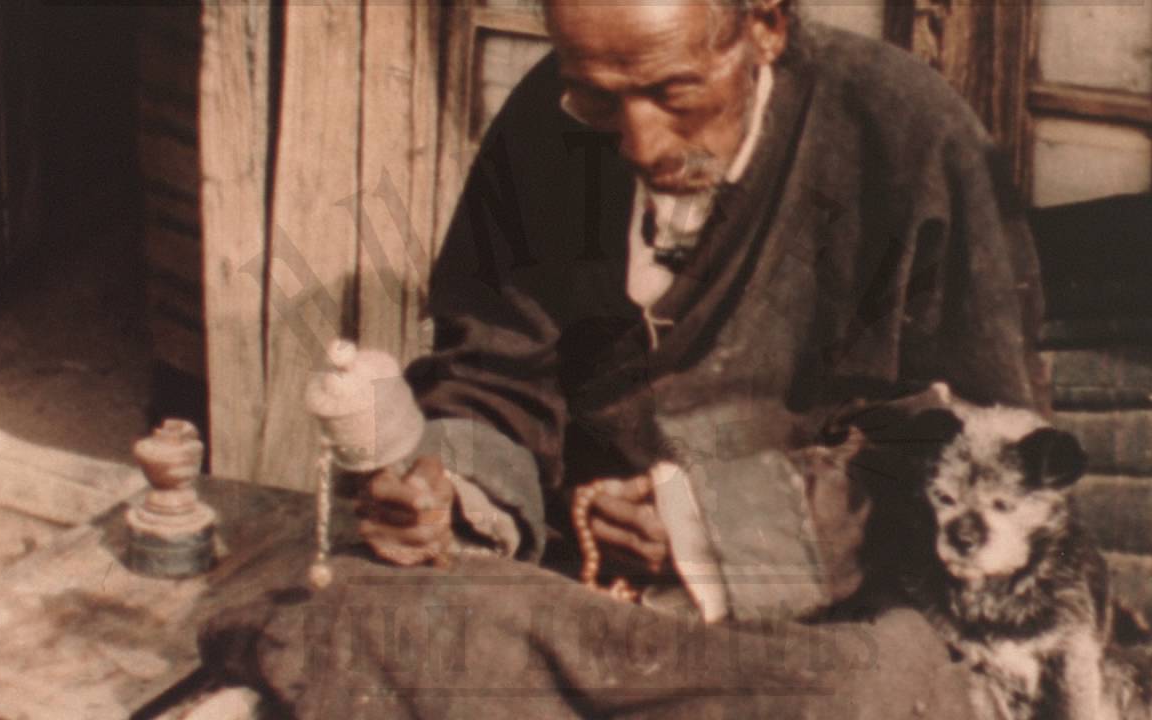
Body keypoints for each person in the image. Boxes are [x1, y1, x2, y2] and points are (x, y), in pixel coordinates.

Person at [201, 1, 1047, 716]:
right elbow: (494, 369)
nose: (639, 143)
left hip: (817, 611)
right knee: (343, 606)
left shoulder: (908, 135)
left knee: (881, 686)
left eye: (674, 91)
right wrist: (447, 488)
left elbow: (983, 452)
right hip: (584, 585)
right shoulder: (547, 118)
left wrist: (714, 531)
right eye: (599, 99)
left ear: (764, 26)